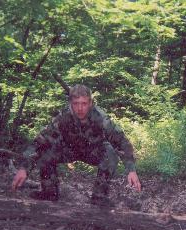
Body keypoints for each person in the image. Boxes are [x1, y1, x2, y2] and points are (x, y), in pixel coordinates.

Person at [12, 84, 141, 208]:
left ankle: (99, 196)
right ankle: (49, 192)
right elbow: (40, 141)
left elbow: (121, 141)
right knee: (46, 151)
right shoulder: (63, 117)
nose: (80, 108)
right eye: (76, 104)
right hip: (69, 149)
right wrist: (24, 168)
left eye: (84, 103)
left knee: (110, 153)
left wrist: (131, 170)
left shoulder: (100, 118)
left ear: (90, 103)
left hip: (93, 151)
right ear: (70, 104)